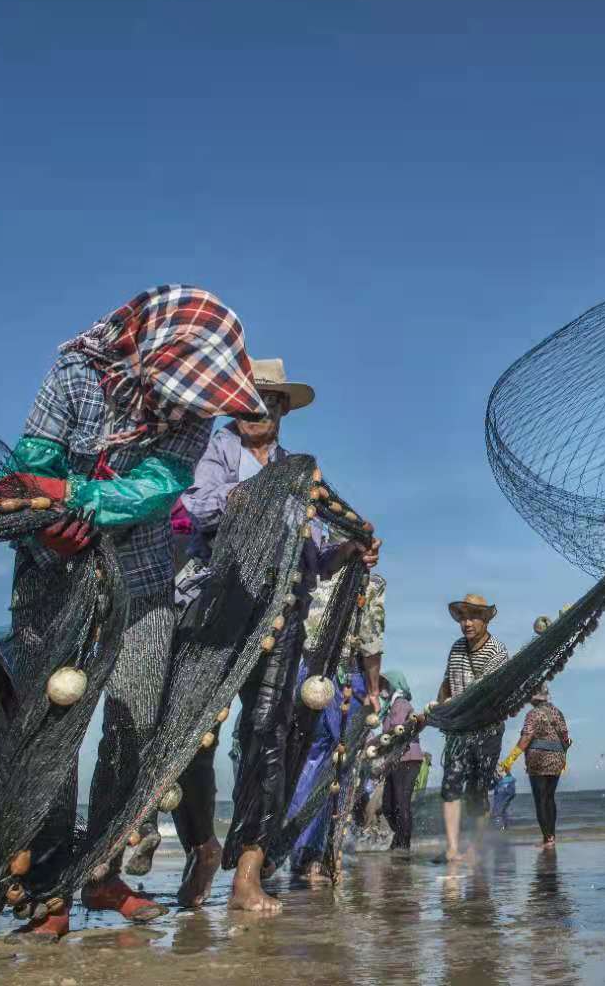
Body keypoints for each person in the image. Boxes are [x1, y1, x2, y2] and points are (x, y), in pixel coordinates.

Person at [4, 284, 267, 941]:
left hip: (144, 579)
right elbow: (28, 462)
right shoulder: (74, 375)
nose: (190, 405)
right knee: (52, 722)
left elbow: (156, 488)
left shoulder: (195, 411)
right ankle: (47, 884)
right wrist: (45, 513)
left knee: (136, 721)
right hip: (50, 569)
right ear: (150, 349)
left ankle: (102, 869)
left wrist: (75, 496)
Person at [155, 357, 379, 913]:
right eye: (248, 399)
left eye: (269, 401)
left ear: (282, 410)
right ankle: (204, 847)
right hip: (215, 610)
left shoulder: (302, 470)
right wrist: (244, 499)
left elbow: (313, 555)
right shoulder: (217, 449)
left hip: (282, 617)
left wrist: (348, 550)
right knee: (193, 737)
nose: (257, 408)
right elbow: (195, 506)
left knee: (268, 734)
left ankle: (248, 868)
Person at [287, 570, 389, 878]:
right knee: (338, 765)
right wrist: (373, 690)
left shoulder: (309, 567)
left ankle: (293, 848)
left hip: (303, 674)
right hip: (345, 678)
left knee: (305, 759)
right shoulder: (370, 582)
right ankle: (317, 854)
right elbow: (371, 641)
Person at [436, 593, 510, 863]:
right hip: (457, 729)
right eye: (462, 617)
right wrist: (437, 709)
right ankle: (453, 847)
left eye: (473, 617)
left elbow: (486, 692)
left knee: (477, 789)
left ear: (485, 620)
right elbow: (447, 683)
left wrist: (456, 709)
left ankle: (475, 848)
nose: (466, 623)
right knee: (451, 784)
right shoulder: (456, 648)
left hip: (486, 729)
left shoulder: (497, 653)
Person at [499, 684, 572, 848]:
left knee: (540, 799)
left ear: (534, 697)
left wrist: (509, 761)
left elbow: (526, 738)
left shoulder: (533, 714)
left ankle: (547, 839)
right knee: (549, 797)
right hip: (557, 759)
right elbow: (566, 738)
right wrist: (562, 757)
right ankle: (552, 837)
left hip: (538, 760)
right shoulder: (557, 712)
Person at [380, 671, 425, 851]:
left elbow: (396, 732)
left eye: (385, 685)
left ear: (394, 685)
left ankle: (403, 845)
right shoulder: (390, 707)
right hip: (395, 760)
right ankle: (399, 837)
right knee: (388, 806)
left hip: (408, 758)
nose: (382, 689)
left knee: (401, 802)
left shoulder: (400, 704)